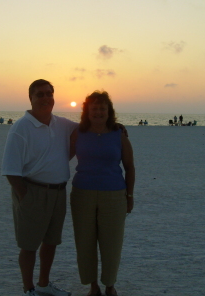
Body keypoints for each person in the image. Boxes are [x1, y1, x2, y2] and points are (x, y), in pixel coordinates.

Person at [1, 79, 77, 296]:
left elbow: (88, 127)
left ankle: (44, 284)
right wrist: (24, 197)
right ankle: (29, 289)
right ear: (31, 99)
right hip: (31, 192)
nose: (45, 98)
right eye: (40, 94)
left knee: (51, 242)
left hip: (58, 192)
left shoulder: (61, 123)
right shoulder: (21, 128)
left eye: (49, 94)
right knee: (29, 245)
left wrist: (115, 125)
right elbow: (10, 169)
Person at [69, 91, 135, 296]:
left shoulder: (119, 135)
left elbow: (130, 167)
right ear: (87, 112)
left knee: (112, 243)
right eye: (94, 108)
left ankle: (109, 285)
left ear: (109, 112)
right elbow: (61, 157)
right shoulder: (78, 133)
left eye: (102, 108)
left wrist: (130, 196)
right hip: (82, 194)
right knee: (84, 242)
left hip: (114, 195)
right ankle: (93, 286)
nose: (98, 112)